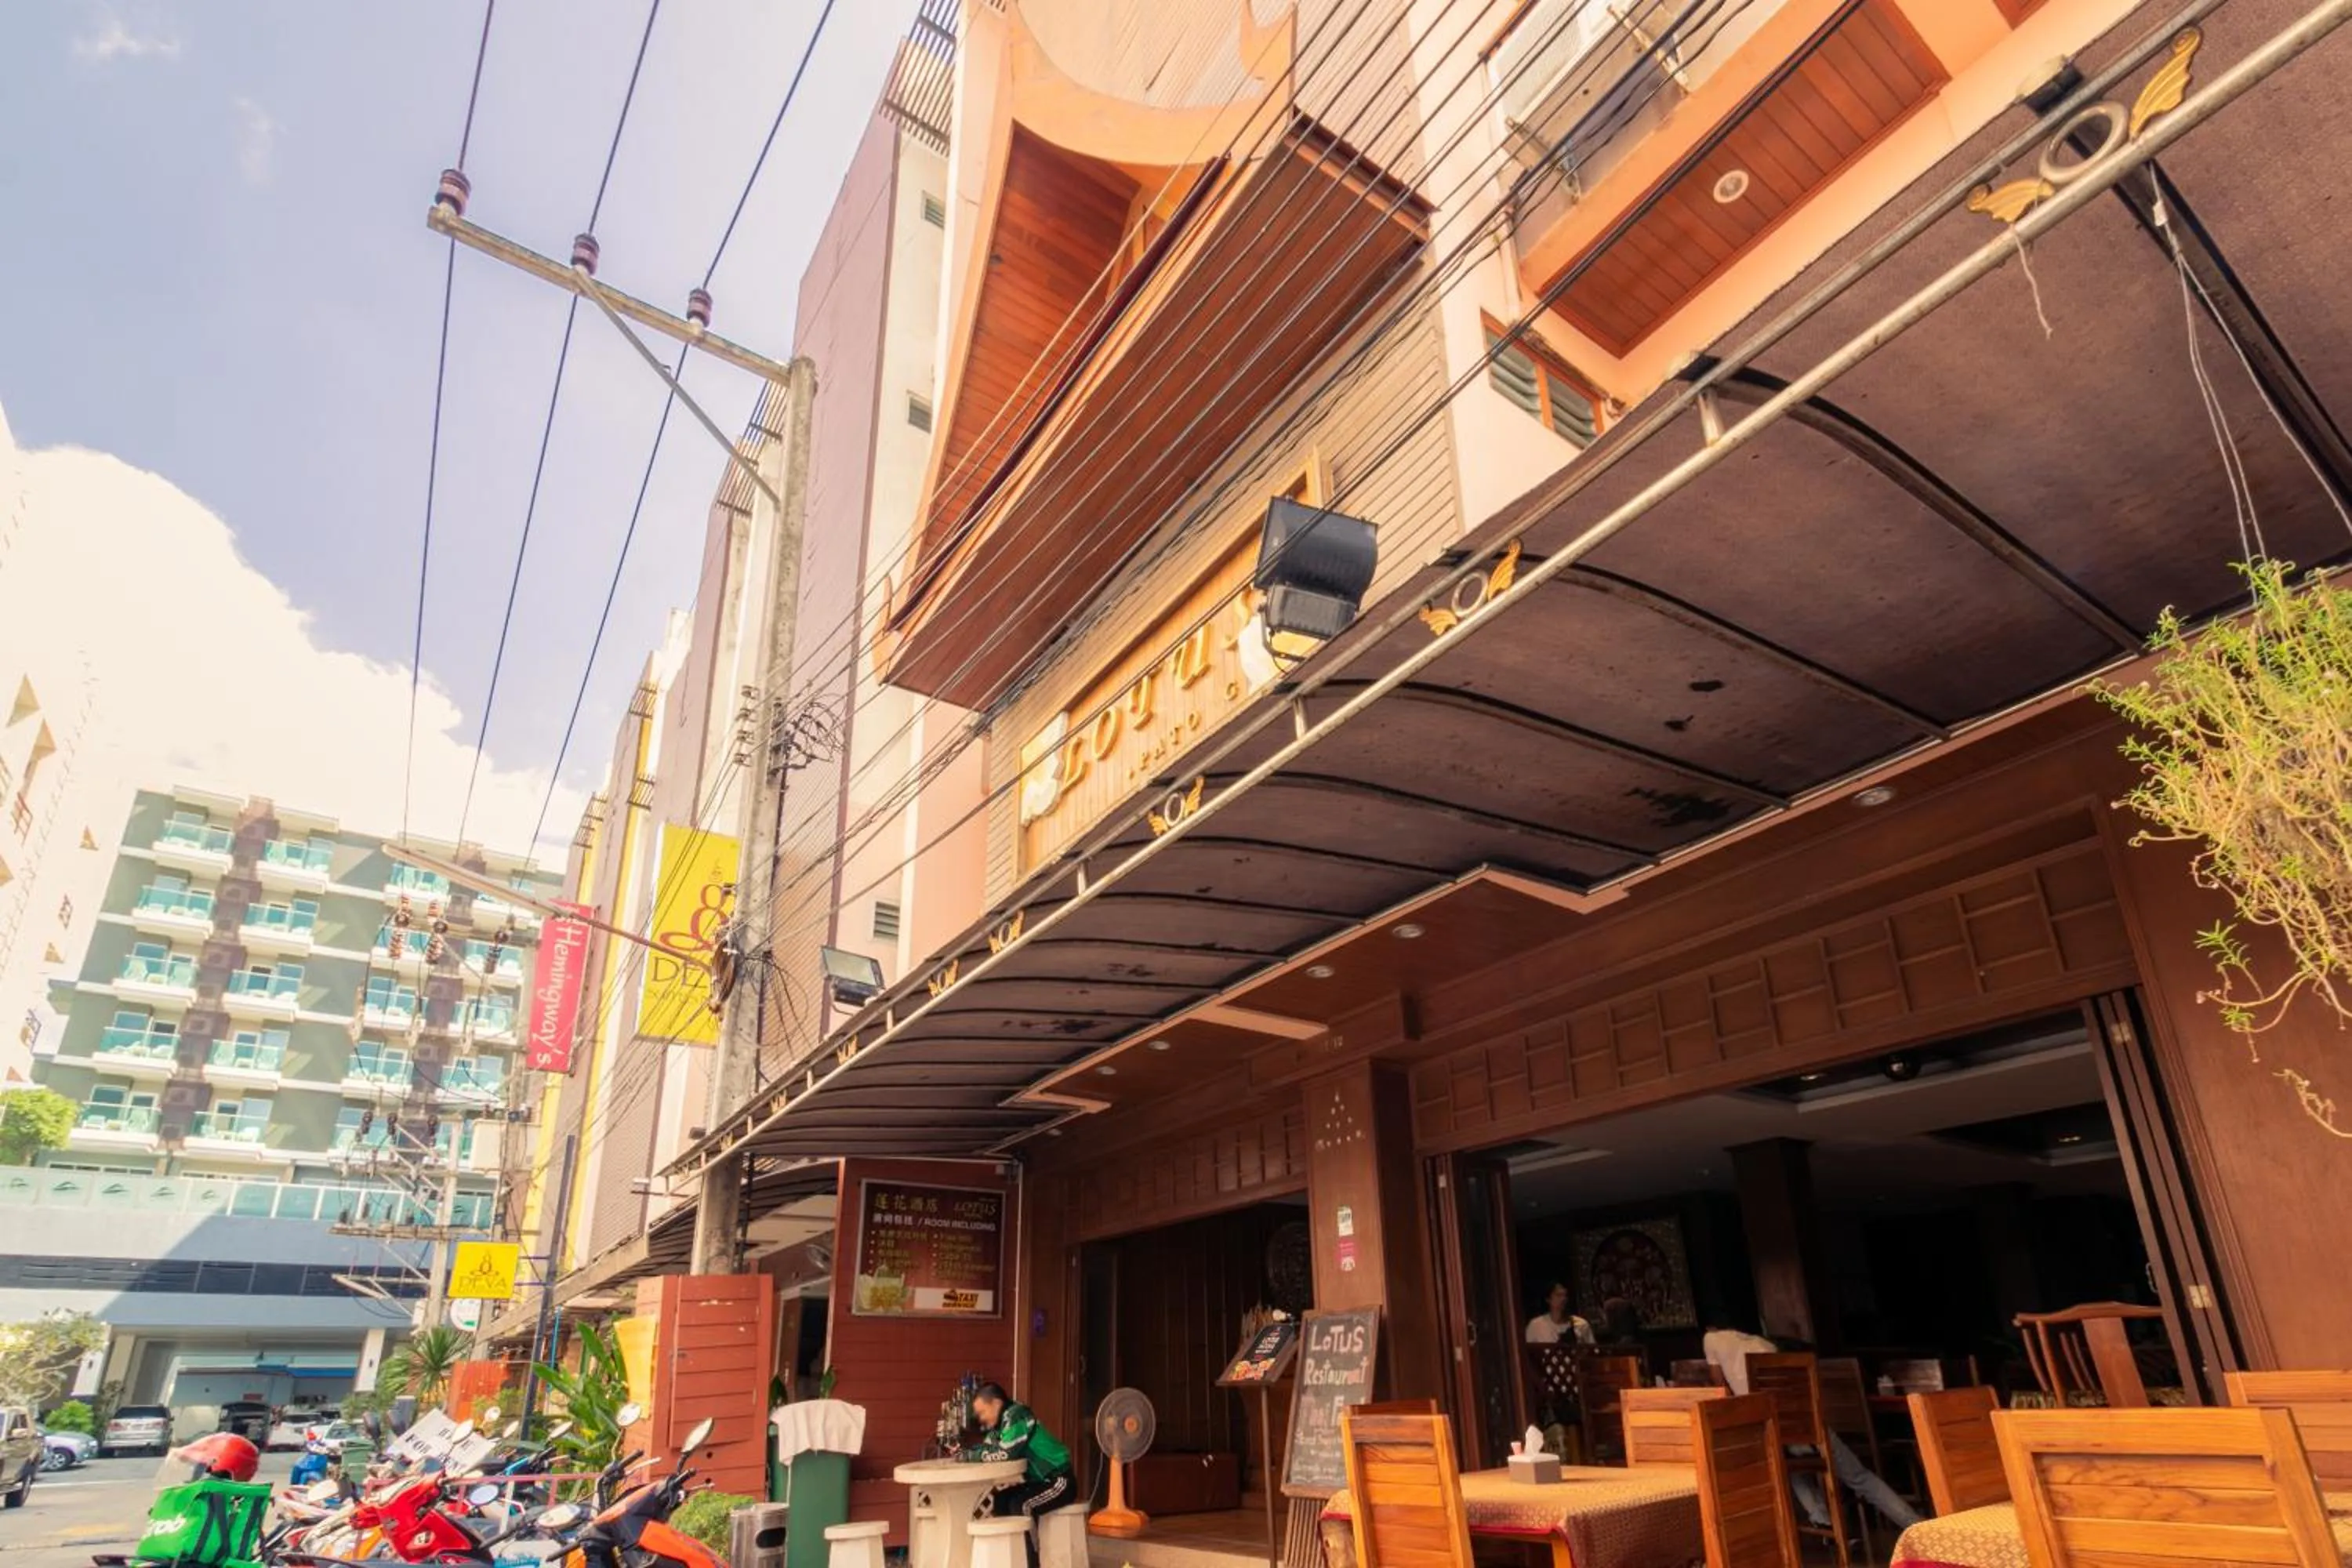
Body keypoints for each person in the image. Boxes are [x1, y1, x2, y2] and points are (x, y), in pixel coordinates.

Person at [1700, 1326, 1920, 1532]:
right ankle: (1914, 1525)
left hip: (1780, 1437)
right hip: (1809, 1429)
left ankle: (1824, 1521)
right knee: (1860, 1478)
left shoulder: (1712, 1339)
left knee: (1787, 1465)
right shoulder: (1766, 1346)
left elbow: (1719, 1388)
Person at [964, 1381, 1076, 1567]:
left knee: (1022, 1505)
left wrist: (971, 1456)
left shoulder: (1017, 1415)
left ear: (995, 1403)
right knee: (1000, 1500)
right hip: (1039, 1482)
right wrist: (966, 1454)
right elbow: (986, 1448)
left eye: (982, 1412)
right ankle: (1012, 1559)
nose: (981, 1419)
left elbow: (1005, 1452)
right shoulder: (1000, 1425)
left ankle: (1031, 1564)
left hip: (1059, 1480)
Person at [1523, 1283, 1595, 1346]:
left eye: (1565, 1295)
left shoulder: (1581, 1325)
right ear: (1548, 1299)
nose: (1563, 1299)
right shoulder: (1536, 1326)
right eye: (1559, 1295)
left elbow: (1592, 1352)